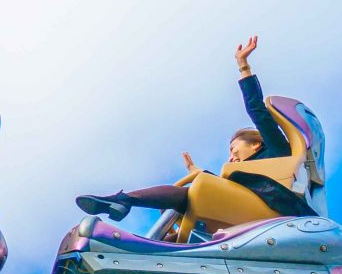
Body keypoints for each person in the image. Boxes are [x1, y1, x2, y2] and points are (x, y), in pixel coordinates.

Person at [76, 37, 312, 226]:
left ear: (255, 144)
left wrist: (244, 66)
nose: (231, 156)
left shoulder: (277, 152)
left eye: (233, 148)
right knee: (185, 198)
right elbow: (226, 189)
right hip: (243, 213)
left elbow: (257, 110)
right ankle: (129, 214)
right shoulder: (243, 178)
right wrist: (197, 172)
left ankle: (123, 201)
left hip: (275, 212)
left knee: (192, 193)